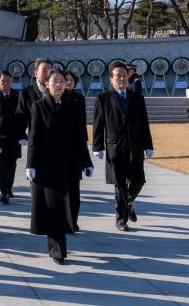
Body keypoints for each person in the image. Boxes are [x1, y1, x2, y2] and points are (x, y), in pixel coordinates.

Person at [26, 69, 93, 264]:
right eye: (54, 81)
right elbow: (34, 137)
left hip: (69, 163)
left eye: (62, 81)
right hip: (47, 165)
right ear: (47, 84)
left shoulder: (73, 104)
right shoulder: (38, 106)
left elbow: (80, 135)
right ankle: (57, 250)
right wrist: (31, 164)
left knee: (70, 205)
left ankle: (64, 236)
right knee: (54, 207)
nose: (59, 84)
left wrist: (86, 162)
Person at [92, 61, 154, 231]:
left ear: (129, 77)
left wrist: (148, 145)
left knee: (139, 181)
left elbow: (144, 124)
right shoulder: (103, 99)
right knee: (119, 185)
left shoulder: (137, 98)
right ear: (111, 79)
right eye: (117, 76)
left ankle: (128, 202)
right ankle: (121, 219)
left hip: (135, 147)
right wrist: (97, 146)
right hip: (115, 148)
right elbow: (98, 124)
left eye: (124, 75)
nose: (121, 78)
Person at [0, 69, 27, 204]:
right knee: (1, 166)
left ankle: (9, 188)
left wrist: (23, 134)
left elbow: (23, 117)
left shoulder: (18, 96)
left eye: (8, 81)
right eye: (3, 81)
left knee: (12, 165)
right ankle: (4, 191)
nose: (6, 84)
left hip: (14, 138)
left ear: (12, 82)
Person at [62, 69, 88, 231]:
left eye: (71, 80)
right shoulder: (56, 99)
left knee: (74, 188)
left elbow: (82, 122)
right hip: (60, 150)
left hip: (75, 148)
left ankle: (73, 220)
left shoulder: (79, 98)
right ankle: (63, 219)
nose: (69, 82)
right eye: (66, 80)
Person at [17, 58, 54, 136]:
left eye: (50, 71)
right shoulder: (25, 93)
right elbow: (20, 116)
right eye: (44, 70)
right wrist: (22, 134)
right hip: (35, 137)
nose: (48, 74)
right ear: (35, 74)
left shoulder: (59, 91)